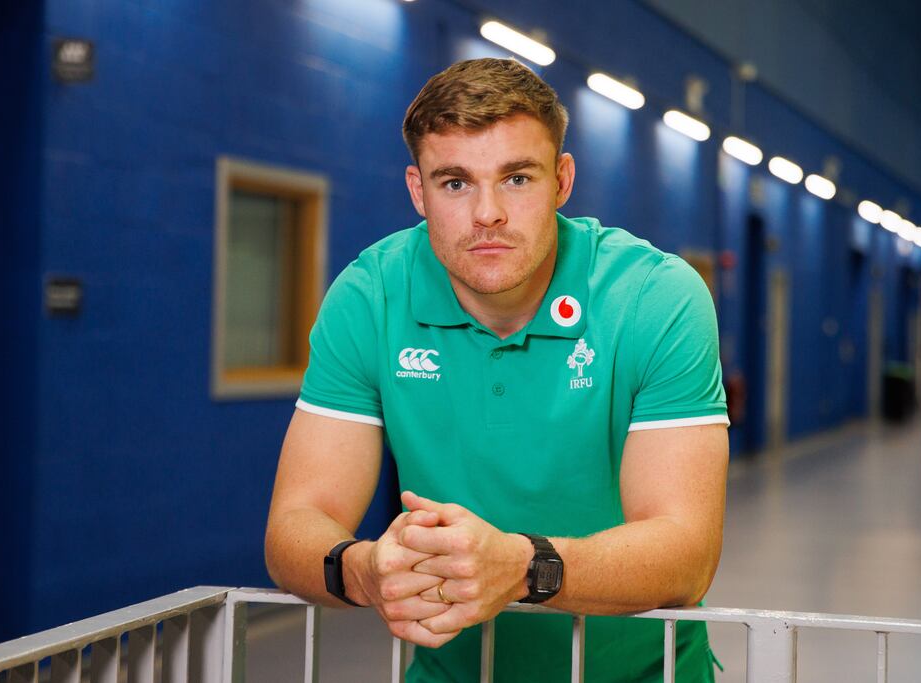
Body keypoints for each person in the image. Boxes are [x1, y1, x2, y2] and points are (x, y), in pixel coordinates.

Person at [265, 57, 729, 682]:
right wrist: (365, 570)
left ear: (562, 180)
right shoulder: (370, 295)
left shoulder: (654, 297)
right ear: (418, 191)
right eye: (455, 182)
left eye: (516, 178)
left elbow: (686, 553)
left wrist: (521, 568)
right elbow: (294, 525)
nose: (487, 213)